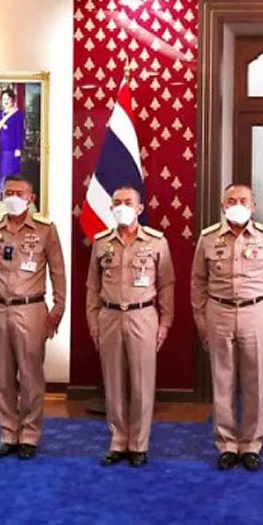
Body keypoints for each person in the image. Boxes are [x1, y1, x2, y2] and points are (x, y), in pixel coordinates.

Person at [190, 184, 263, 472]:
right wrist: (201, 321)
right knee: (222, 382)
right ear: (223, 206)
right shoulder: (208, 238)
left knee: (254, 382)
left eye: (243, 200)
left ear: (253, 206)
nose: (237, 204)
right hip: (218, 312)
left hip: (255, 313)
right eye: (231, 200)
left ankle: (251, 445)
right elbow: (198, 282)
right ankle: (227, 445)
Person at [0, 174, 66, 460]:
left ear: (31, 198)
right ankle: (7, 434)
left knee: (30, 376)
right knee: (2, 377)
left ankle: (29, 435)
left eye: (19, 193)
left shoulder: (45, 230)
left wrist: (57, 309)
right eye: (9, 192)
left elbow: (58, 273)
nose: (13, 197)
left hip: (31, 309)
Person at [86, 186, 175, 468]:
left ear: (139, 208)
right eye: (117, 202)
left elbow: (166, 284)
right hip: (109, 316)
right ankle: (118, 441)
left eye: (128, 202)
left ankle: (138, 444)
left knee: (141, 383)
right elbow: (92, 286)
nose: (121, 207)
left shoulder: (156, 242)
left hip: (143, 315)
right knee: (113, 383)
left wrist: (166, 321)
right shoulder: (101, 242)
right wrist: (93, 320)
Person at [0, 89, 25, 201]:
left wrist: (18, 148)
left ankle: (9, 195)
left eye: (8, 98)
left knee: (10, 172)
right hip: (0, 148)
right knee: (0, 171)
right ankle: (1, 194)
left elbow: (20, 132)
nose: (6, 101)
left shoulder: (18, 114)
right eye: (4, 99)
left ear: (13, 100)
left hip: (11, 149)